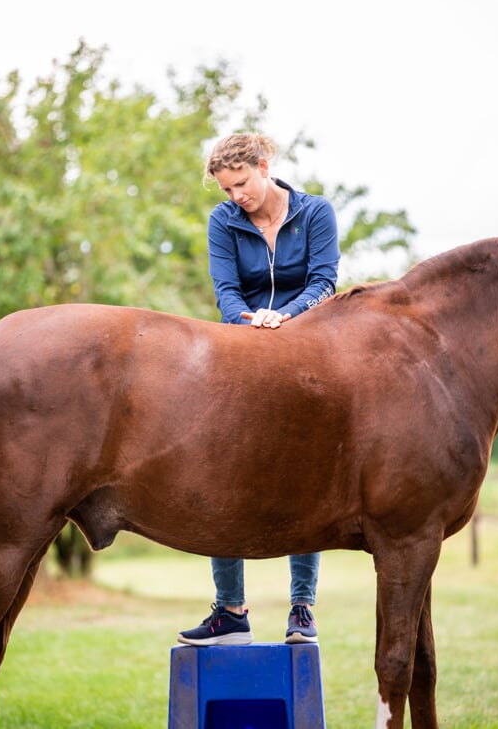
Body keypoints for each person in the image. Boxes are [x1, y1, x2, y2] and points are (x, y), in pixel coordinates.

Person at [176, 133, 340, 647]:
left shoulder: (315, 213)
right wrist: (247, 324)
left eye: (242, 184)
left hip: (307, 345)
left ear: (264, 167)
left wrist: (285, 316)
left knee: (306, 474)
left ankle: (302, 608)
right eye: (227, 189)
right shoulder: (223, 221)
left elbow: (325, 281)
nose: (236, 197)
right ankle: (230, 611)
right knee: (221, 471)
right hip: (241, 343)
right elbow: (225, 289)